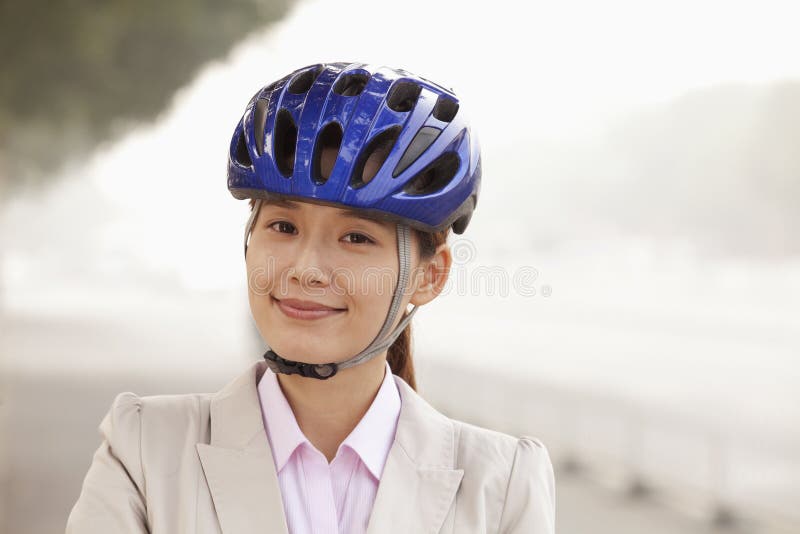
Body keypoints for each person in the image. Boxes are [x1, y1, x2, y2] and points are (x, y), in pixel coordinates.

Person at [65, 62, 556, 534]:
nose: (306, 270)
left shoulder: (503, 486)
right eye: (283, 226)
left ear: (429, 275)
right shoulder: (145, 450)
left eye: (357, 238)